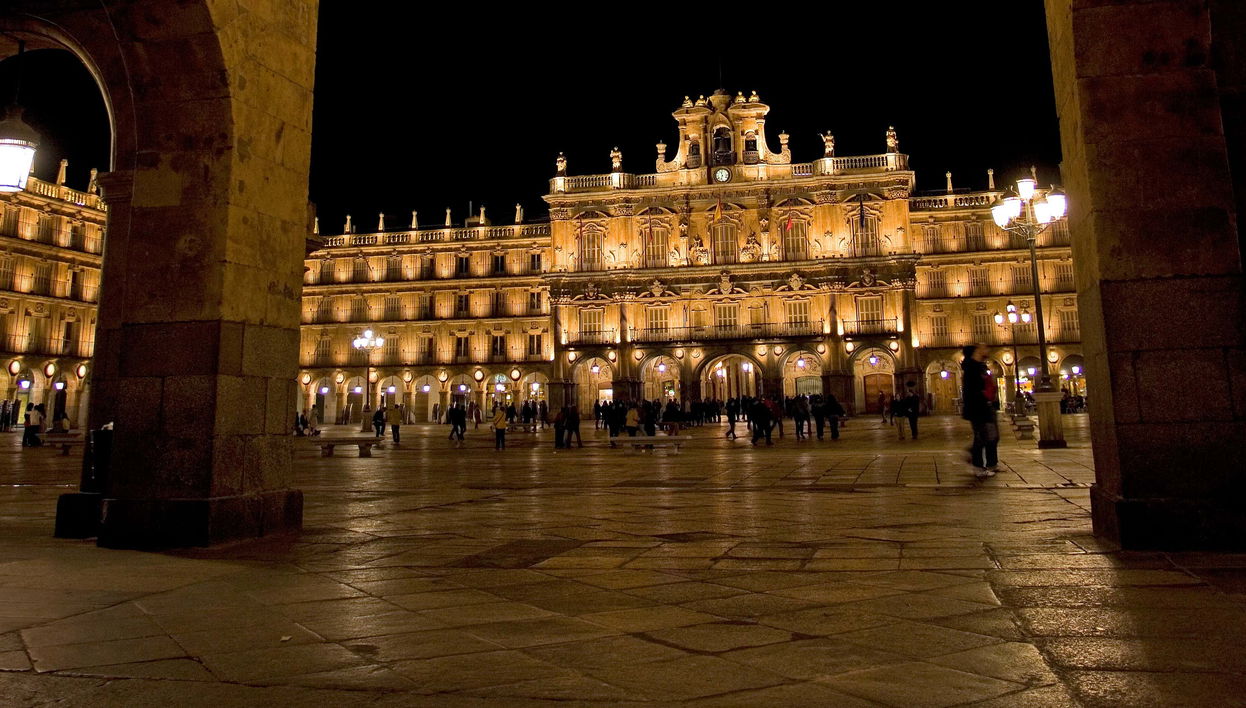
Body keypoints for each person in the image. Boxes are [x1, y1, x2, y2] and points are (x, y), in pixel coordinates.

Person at [962, 344, 1001, 477]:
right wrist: (983, 397)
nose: (987, 350)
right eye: (983, 348)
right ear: (976, 351)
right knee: (984, 437)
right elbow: (971, 390)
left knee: (989, 436)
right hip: (978, 407)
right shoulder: (971, 368)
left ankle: (983, 463)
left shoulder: (979, 366)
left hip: (984, 406)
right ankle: (976, 463)